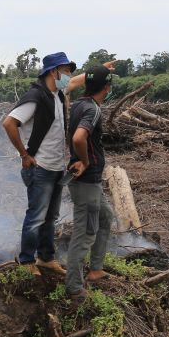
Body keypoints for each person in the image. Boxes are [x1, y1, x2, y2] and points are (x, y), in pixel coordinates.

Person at [2, 52, 79, 276]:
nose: (68, 75)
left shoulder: (57, 94)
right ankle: (27, 262)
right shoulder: (36, 97)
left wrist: (99, 69)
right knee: (36, 216)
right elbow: (9, 123)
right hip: (40, 168)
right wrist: (24, 154)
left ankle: (46, 258)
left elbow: (75, 82)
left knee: (50, 217)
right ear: (53, 72)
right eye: (65, 71)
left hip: (57, 168)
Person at [65, 65, 115, 299]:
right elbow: (78, 138)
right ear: (107, 87)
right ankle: (74, 288)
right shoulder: (93, 110)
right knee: (85, 234)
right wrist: (84, 160)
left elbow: (72, 83)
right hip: (86, 181)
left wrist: (98, 69)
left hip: (91, 181)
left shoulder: (78, 103)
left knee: (105, 217)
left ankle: (95, 270)